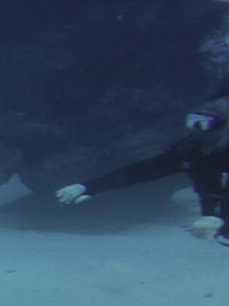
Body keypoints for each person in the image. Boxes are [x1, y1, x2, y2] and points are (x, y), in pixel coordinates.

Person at [55, 88, 229, 244]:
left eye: (208, 123)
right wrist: (89, 187)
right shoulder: (192, 151)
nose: (198, 130)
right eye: (195, 121)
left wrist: (221, 218)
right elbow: (144, 170)